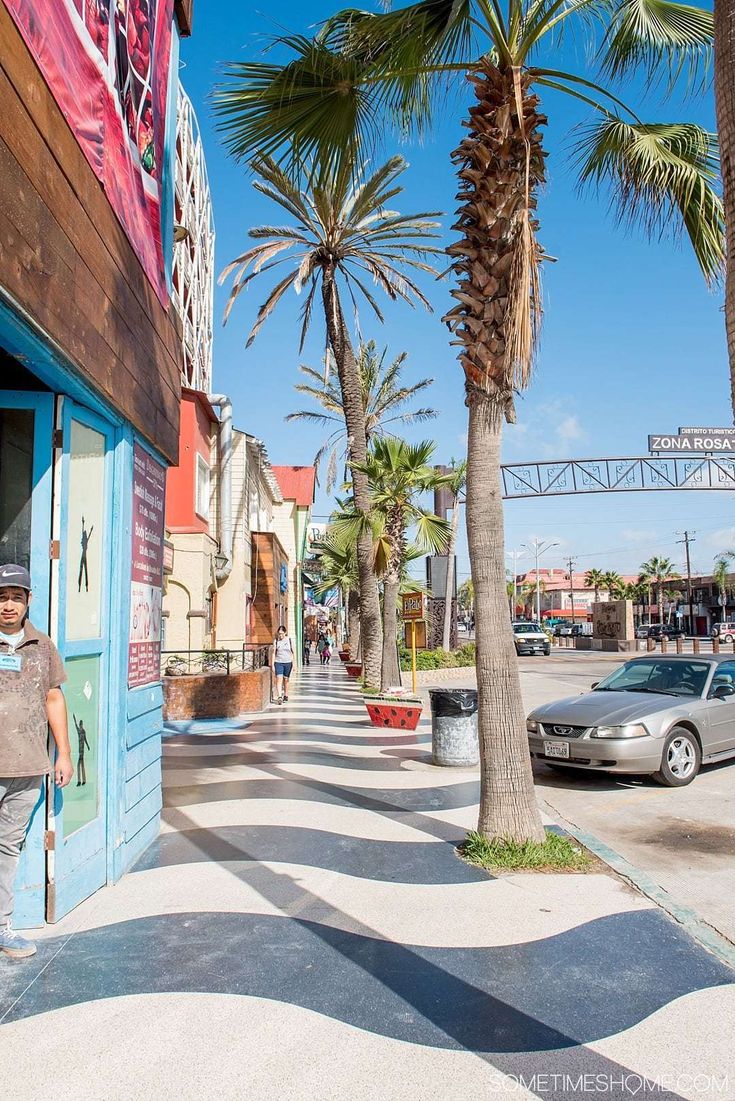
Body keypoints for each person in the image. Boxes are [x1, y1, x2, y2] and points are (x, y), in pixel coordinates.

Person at [0, 564, 73, 958]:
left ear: (28, 601)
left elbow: (53, 698)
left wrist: (63, 752)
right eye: (1, 597)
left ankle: (2, 927)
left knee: (8, 848)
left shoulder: (42, 647)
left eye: (16, 597)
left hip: (28, 766)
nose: (8, 605)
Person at [272, 624, 294, 704]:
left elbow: (293, 652)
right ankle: (279, 696)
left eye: (281, 633)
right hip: (278, 662)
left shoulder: (289, 640)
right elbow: (273, 653)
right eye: (279, 633)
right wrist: (272, 664)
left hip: (288, 662)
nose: (280, 635)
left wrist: (293, 664)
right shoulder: (276, 641)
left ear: (285, 633)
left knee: (286, 679)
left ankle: (286, 694)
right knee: (279, 678)